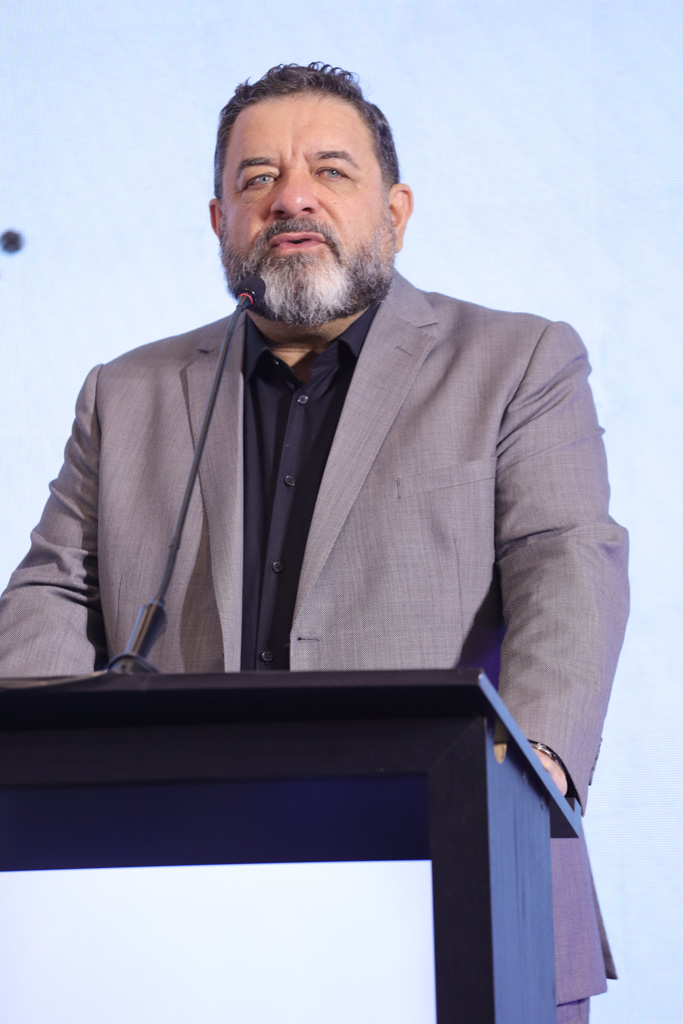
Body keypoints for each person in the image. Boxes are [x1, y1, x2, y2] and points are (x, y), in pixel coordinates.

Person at [0, 63, 628, 1021]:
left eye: (330, 171)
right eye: (257, 178)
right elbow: (53, 594)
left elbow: (565, 560)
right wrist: (40, 774)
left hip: (454, 874)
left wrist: (532, 763)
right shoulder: (125, 393)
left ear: (395, 212)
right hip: (180, 905)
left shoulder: (518, 361)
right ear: (221, 220)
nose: (291, 197)